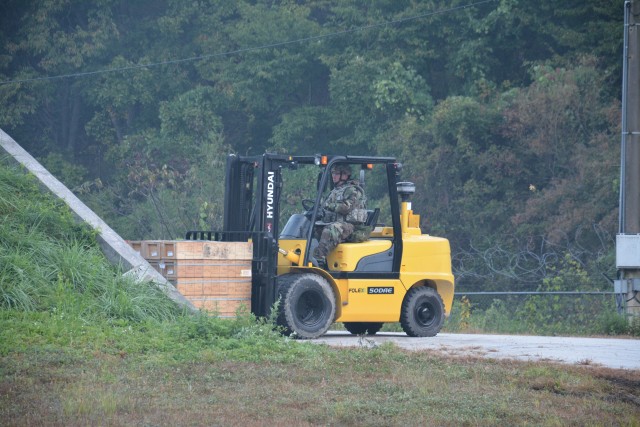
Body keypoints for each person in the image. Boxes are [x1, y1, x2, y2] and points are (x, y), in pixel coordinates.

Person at [312, 163, 369, 268]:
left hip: (352, 226)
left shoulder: (353, 190)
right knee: (312, 228)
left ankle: (318, 260)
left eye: (337, 173)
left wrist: (329, 206)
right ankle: (309, 256)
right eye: (333, 173)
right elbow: (325, 206)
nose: (334, 176)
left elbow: (346, 208)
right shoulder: (335, 191)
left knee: (332, 229)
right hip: (338, 223)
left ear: (345, 175)